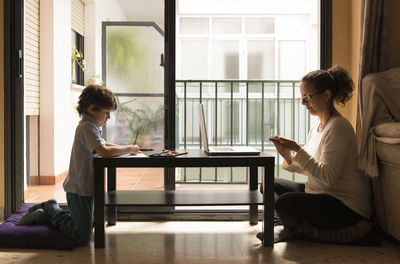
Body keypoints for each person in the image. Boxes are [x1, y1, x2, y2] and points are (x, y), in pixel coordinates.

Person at [19, 84, 140, 246]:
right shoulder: (86, 126)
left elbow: (106, 144)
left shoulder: (92, 125)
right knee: (81, 237)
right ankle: (51, 207)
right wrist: (128, 149)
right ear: (92, 108)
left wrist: (128, 149)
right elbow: (104, 150)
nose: (108, 118)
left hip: (86, 187)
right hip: (80, 188)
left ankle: (44, 216)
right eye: (106, 113)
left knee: (89, 224)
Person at [265, 66, 372, 243]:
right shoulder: (317, 127)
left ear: (326, 95)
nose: (303, 103)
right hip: (319, 193)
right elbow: (309, 170)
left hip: (344, 205)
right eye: (301, 98)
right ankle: (295, 229)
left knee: (285, 203)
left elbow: (328, 177)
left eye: (307, 97)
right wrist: (287, 155)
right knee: (269, 184)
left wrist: (298, 150)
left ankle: (297, 230)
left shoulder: (338, 127)